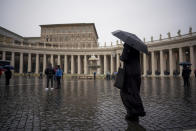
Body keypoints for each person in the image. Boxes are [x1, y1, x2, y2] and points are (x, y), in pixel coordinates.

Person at [120, 43, 145, 123]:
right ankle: (137, 111)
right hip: (137, 73)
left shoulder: (127, 45)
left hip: (129, 73)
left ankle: (132, 112)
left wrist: (121, 55)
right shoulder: (137, 47)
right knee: (135, 92)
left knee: (124, 92)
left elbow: (124, 58)